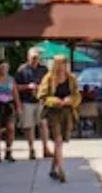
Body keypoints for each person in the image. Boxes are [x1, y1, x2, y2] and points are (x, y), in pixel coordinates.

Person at [39, 54, 80, 182]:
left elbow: (77, 95)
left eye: (65, 63)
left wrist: (70, 100)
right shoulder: (49, 78)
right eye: (60, 63)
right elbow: (41, 96)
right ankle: (61, 170)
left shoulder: (71, 78)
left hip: (67, 112)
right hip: (53, 112)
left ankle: (53, 169)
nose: (63, 66)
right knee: (58, 140)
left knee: (60, 142)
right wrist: (54, 100)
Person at [13, 48, 48, 160]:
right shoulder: (22, 70)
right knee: (29, 126)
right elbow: (15, 87)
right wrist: (27, 87)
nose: (35, 60)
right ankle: (31, 149)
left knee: (43, 125)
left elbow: (48, 84)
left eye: (37, 58)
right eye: (33, 58)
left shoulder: (44, 69)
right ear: (28, 57)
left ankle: (45, 148)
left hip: (40, 101)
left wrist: (41, 88)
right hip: (27, 101)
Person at [0, 60, 17, 161]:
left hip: (8, 105)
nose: (4, 70)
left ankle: (8, 151)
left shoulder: (11, 79)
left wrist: (18, 106)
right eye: (2, 68)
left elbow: (15, 93)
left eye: (5, 68)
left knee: (10, 128)